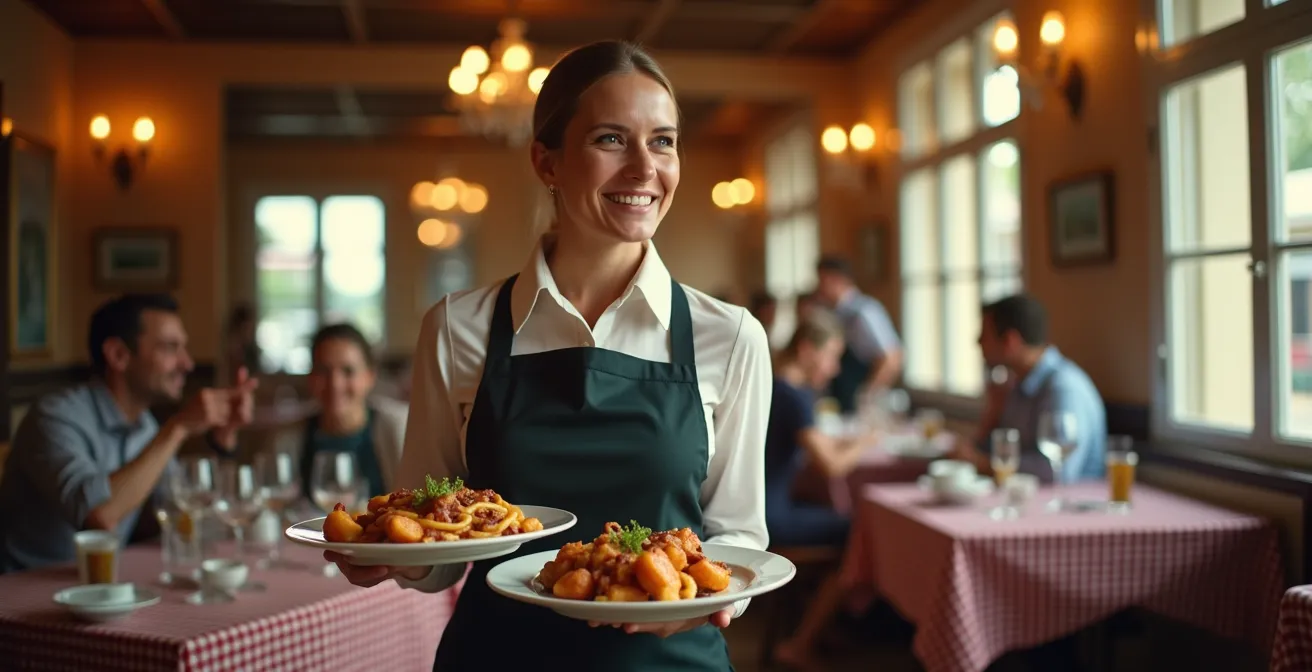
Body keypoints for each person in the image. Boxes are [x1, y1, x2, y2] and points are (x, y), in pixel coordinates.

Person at [325, 41, 771, 671]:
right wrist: (391, 558)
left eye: (664, 141)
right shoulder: (458, 327)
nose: (646, 168)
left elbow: (739, 536)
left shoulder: (731, 337)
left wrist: (704, 600)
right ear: (547, 161)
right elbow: (430, 530)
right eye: (612, 139)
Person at [0, 294, 258, 573]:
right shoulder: (53, 418)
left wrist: (222, 440)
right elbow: (101, 515)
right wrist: (179, 427)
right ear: (118, 355)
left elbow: (182, 518)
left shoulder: (145, 427)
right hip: (23, 596)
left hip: (100, 589)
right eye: (171, 348)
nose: (188, 363)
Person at [765, 312, 876, 671]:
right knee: (854, 530)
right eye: (830, 356)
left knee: (834, 516)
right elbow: (831, 466)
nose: (832, 369)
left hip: (765, 505)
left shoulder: (778, 386)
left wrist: (844, 441)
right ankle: (801, 641)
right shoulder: (792, 395)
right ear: (807, 349)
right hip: (772, 517)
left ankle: (820, 622)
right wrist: (868, 440)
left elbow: (812, 443)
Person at [951, 294, 1106, 482]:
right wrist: (992, 415)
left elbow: (1057, 472)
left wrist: (984, 464)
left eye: (984, 335)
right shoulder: (1016, 385)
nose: (977, 343)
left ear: (1010, 341)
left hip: (1071, 504)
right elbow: (986, 450)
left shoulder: (1063, 387)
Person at [250, 323, 407, 499]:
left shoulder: (402, 431)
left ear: (369, 377)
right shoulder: (285, 440)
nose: (335, 384)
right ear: (310, 377)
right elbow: (264, 503)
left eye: (348, 371)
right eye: (323, 371)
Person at [813, 256, 902, 413]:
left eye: (822, 280)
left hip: (861, 397)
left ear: (836, 279)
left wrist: (867, 396)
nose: (819, 287)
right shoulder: (833, 312)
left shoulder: (865, 312)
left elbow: (892, 358)